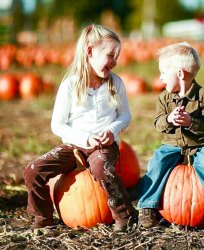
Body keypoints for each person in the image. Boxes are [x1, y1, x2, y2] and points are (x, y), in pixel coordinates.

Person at [24, 24, 137, 232]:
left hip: (104, 146)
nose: (115, 61)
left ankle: (125, 215)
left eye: (117, 56)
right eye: (110, 55)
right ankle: (43, 218)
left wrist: (111, 131)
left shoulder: (116, 83)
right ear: (90, 52)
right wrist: (85, 138)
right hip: (74, 145)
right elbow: (57, 124)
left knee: (102, 168)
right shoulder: (70, 85)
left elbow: (125, 115)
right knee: (33, 171)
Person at [137, 42, 204, 230]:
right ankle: (146, 207)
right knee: (157, 163)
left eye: (164, 73)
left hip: (201, 144)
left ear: (181, 74)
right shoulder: (164, 98)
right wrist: (169, 119)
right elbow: (158, 123)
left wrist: (191, 122)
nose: (160, 78)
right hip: (172, 144)